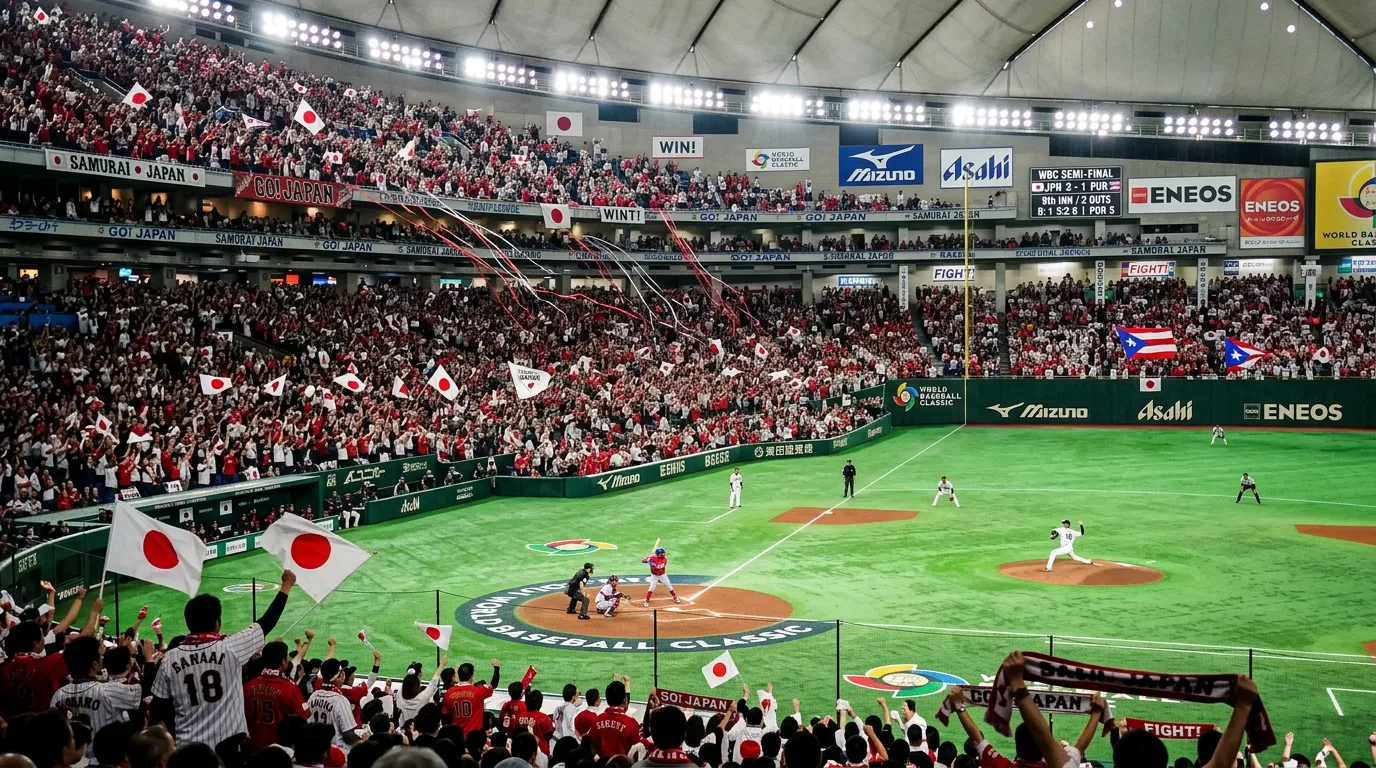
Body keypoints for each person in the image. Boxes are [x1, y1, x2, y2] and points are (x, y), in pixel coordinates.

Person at [150, 570, 297, 747]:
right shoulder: (230, 647)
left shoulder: (169, 658)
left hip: (188, 750)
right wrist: (286, 585)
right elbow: (267, 622)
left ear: (188, 624)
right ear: (218, 623)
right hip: (230, 748)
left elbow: (159, 707)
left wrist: (178, 733)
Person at [51, 635, 143, 734]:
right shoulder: (107, 690)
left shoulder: (57, 696)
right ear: (94, 665)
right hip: (102, 748)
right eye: (99, 655)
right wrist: (149, 659)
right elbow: (140, 695)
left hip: (72, 749)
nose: (101, 657)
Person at [243, 640, 311, 754]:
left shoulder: (247, 686)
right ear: (284, 661)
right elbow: (303, 719)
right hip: (280, 754)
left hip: (252, 751)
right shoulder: (290, 688)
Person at [308, 659, 363, 752]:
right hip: (337, 752)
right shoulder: (340, 700)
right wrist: (364, 741)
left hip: (317, 749)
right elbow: (348, 735)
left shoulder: (314, 695)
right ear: (340, 676)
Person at [441, 659, 501, 735]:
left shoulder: (449, 693)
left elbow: (445, 718)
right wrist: (497, 668)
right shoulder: (479, 691)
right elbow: (493, 685)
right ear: (472, 676)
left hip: (456, 737)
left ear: (458, 675)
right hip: (474, 737)